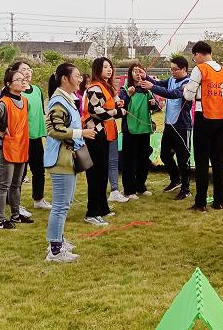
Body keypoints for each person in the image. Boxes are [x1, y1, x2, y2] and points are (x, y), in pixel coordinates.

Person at [44, 63, 96, 263]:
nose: (80, 79)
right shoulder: (58, 101)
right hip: (61, 159)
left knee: (64, 204)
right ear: (64, 79)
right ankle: (55, 250)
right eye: (76, 76)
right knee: (60, 206)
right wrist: (81, 133)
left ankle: (58, 240)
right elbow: (54, 129)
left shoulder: (67, 98)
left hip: (68, 158)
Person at [0, 68, 33, 229]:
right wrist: (3, 127)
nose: (23, 82)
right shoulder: (4, 102)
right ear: (9, 84)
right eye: (19, 79)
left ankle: (16, 215)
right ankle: (1, 220)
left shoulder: (25, 101)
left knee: (16, 185)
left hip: (21, 146)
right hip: (6, 147)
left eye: (24, 79)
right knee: (4, 185)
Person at [184, 41, 223, 211]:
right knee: (218, 160)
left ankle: (201, 202)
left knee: (202, 161)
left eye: (194, 56)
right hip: (221, 118)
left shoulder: (200, 69)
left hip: (203, 116)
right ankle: (219, 201)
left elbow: (189, 96)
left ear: (198, 54)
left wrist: (185, 89)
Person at [81, 57, 125, 225]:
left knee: (102, 173)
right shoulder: (94, 88)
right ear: (97, 69)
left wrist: (117, 104)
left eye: (110, 66)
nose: (109, 69)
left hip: (106, 134)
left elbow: (109, 105)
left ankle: (102, 207)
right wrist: (116, 112)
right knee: (96, 174)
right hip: (95, 134)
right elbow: (94, 110)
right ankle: (92, 212)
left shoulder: (106, 87)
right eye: (105, 67)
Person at [144, 56, 192, 200]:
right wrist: (145, 76)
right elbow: (159, 83)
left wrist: (152, 87)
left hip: (182, 126)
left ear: (184, 69)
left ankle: (186, 189)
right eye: (171, 69)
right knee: (164, 155)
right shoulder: (171, 79)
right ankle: (175, 180)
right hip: (169, 125)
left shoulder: (188, 83)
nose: (172, 72)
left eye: (175, 69)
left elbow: (173, 94)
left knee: (183, 159)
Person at [12, 61, 49, 210]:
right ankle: (16, 204)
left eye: (29, 69)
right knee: (20, 173)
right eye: (24, 70)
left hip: (36, 137)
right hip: (21, 139)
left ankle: (39, 199)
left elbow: (40, 113)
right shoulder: (15, 93)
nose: (27, 72)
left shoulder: (37, 90)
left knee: (39, 170)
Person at [120, 63, 159, 199]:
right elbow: (121, 107)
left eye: (139, 71)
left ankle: (141, 186)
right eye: (134, 71)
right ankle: (129, 190)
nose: (137, 74)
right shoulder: (125, 89)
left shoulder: (147, 89)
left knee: (143, 159)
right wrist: (128, 95)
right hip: (130, 130)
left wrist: (153, 104)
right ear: (130, 74)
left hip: (144, 129)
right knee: (129, 161)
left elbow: (156, 108)